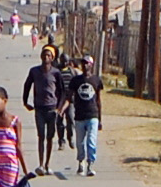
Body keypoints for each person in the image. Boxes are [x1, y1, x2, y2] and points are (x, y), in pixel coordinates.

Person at [22, 45, 63, 175]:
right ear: (40, 56)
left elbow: (62, 91)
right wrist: (25, 102)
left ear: (52, 58)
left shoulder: (56, 73)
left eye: (48, 55)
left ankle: (47, 164)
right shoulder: (34, 71)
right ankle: (40, 164)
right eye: (44, 55)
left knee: (50, 137)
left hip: (52, 109)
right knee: (41, 136)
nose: (46, 57)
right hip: (39, 108)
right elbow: (27, 85)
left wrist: (59, 108)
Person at [70, 54, 103, 175]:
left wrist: (100, 119)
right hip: (79, 115)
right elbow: (69, 96)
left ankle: (90, 164)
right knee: (80, 142)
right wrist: (63, 109)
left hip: (92, 114)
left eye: (87, 63)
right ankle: (80, 161)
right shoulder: (76, 80)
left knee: (91, 141)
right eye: (83, 63)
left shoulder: (96, 80)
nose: (84, 65)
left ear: (91, 65)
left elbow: (98, 100)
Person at [53, 53, 77, 151]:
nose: (64, 63)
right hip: (59, 100)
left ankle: (70, 137)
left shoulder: (72, 71)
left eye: (66, 61)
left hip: (70, 100)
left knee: (70, 119)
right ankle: (61, 141)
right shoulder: (56, 71)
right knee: (59, 120)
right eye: (63, 61)